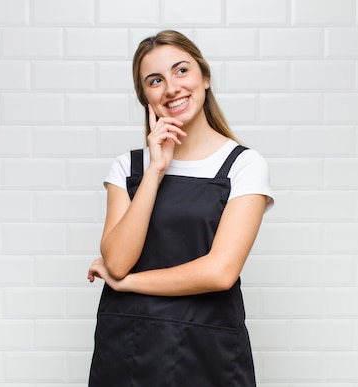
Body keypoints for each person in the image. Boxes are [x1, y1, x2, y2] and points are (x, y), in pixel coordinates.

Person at [87, 30, 274, 386]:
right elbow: (117, 261)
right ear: (145, 97)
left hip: (207, 351)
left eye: (181, 71)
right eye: (155, 80)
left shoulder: (243, 166)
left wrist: (127, 284)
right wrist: (156, 170)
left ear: (204, 77)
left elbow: (220, 272)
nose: (171, 88)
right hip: (128, 348)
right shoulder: (128, 168)